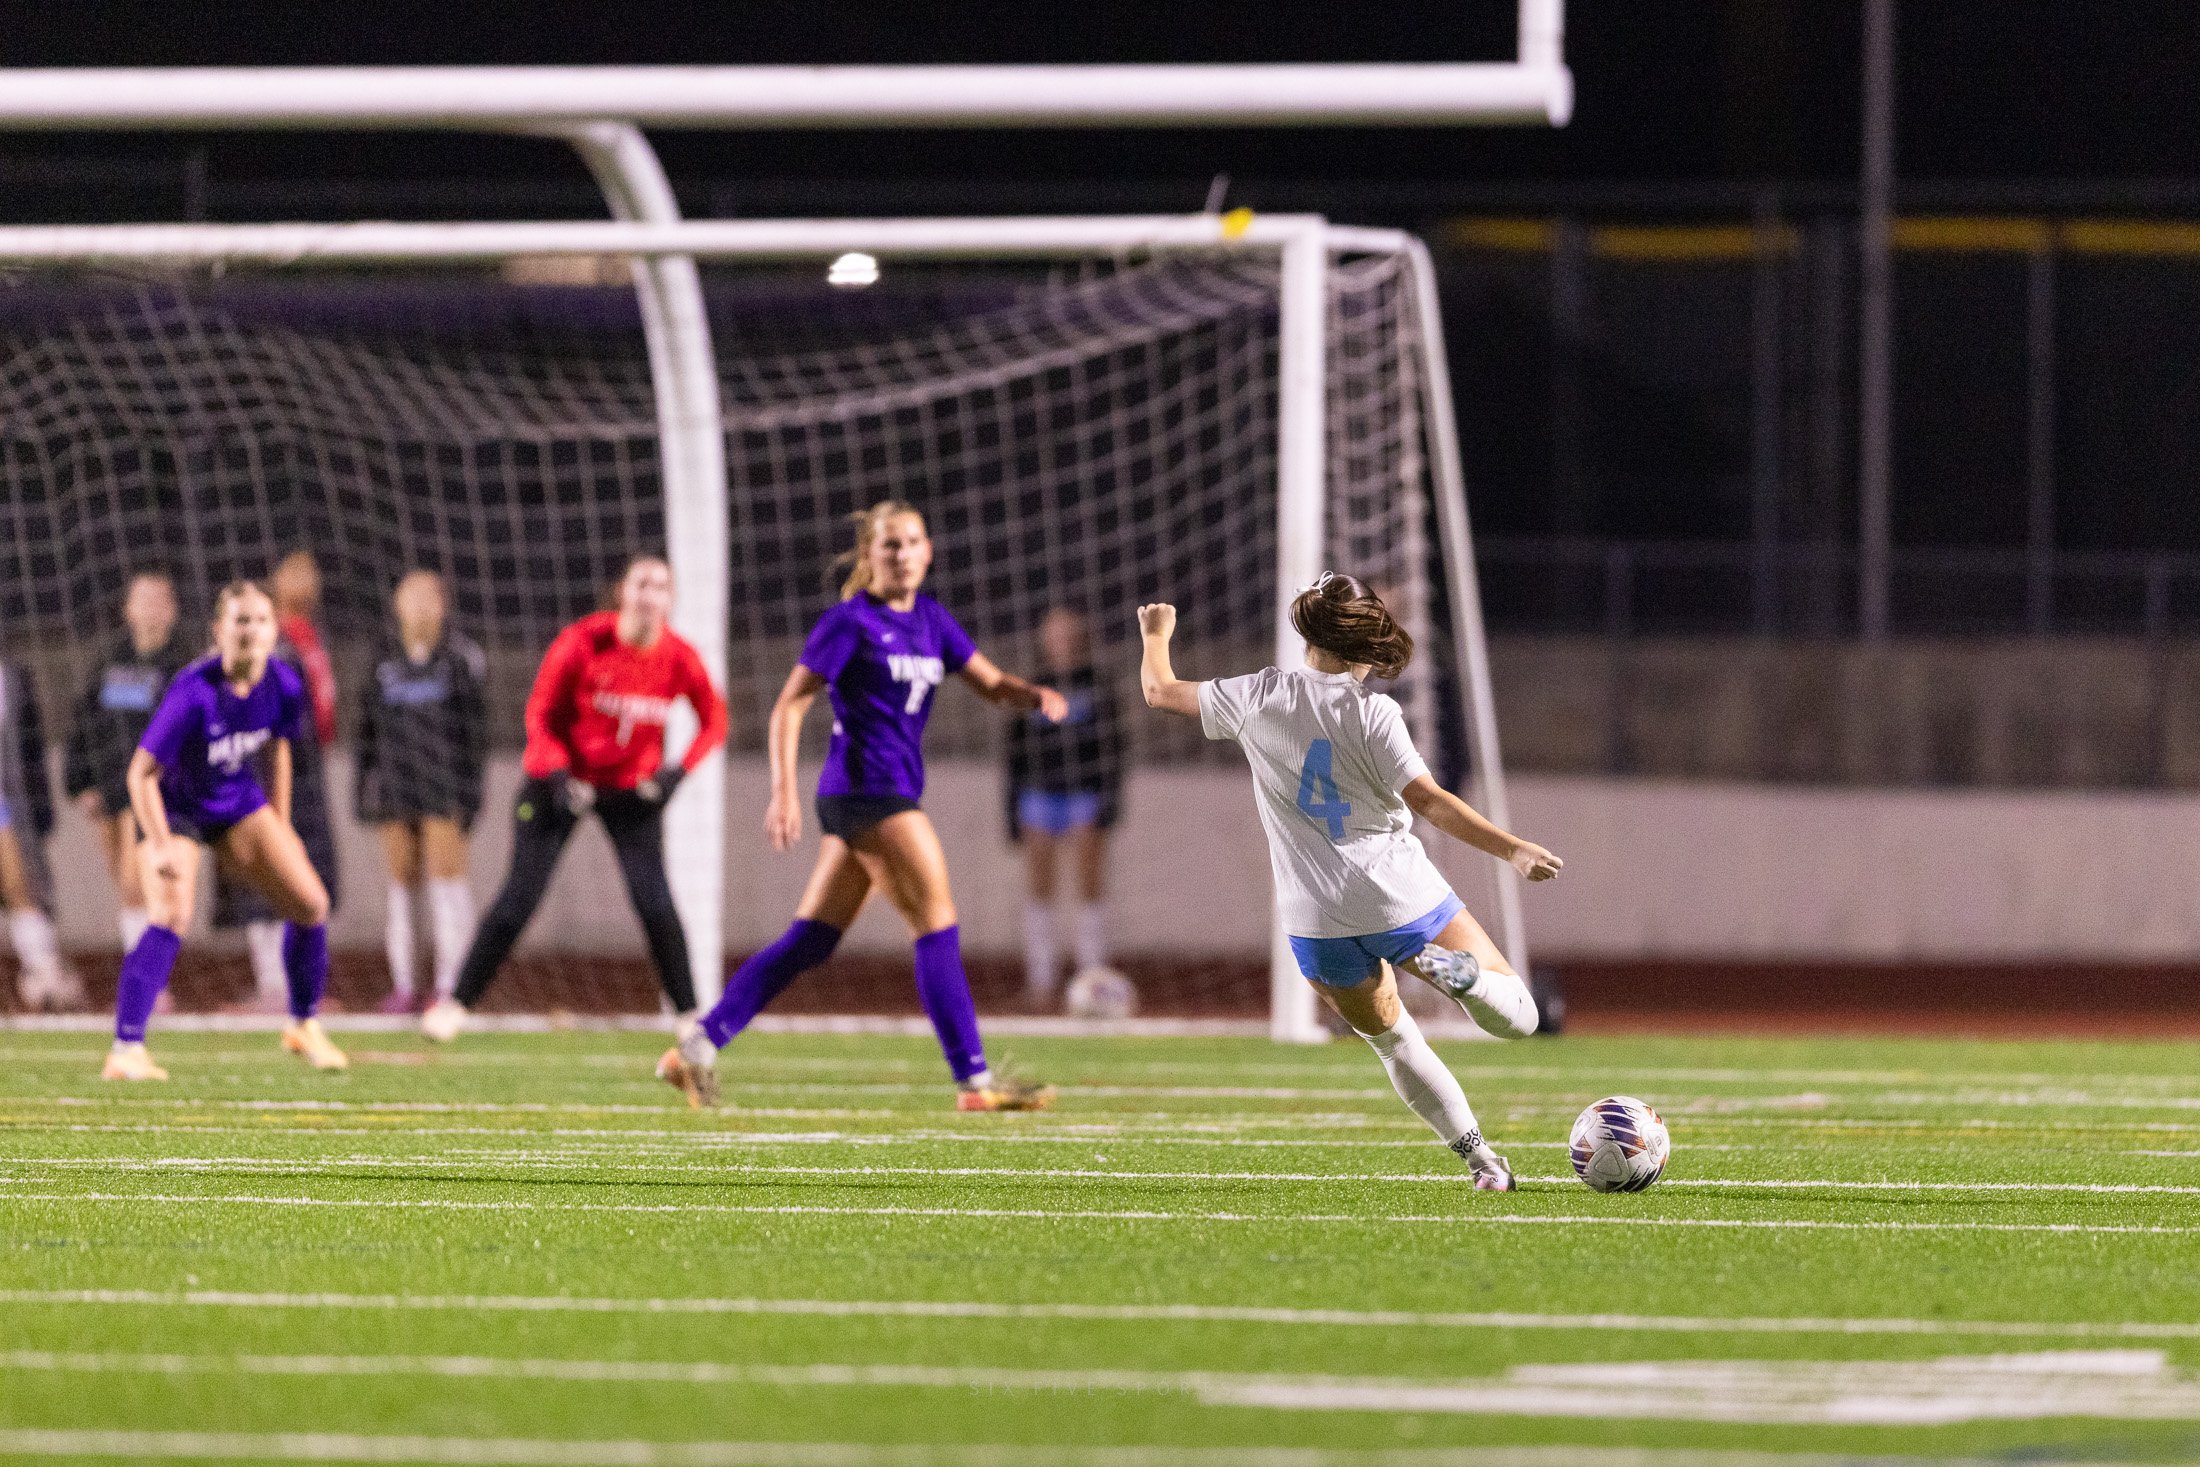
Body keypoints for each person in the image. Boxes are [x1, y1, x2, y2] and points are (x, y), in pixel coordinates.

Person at [1136, 573, 1562, 1190]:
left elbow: (1158, 690)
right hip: (1396, 895)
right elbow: (1430, 801)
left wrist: (1156, 634)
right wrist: (1513, 849)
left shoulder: (1256, 695)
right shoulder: (1373, 713)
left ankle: (1483, 1163)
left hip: (1315, 920)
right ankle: (1465, 981)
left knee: (1395, 1045)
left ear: (1308, 634)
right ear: (1369, 637)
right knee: (1518, 1017)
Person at [657, 500, 1064, 1112]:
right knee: (936, 921)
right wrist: (783, 792)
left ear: (928, 551)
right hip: (866, 790)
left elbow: (990, 682)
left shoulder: (932, 620)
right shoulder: (849, 622)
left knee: (811, 940)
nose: (903, 555)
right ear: (870, 554)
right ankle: (974, 1082)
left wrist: (1035, 696)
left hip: (885, 791)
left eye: (912, 542)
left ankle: (694, 1050)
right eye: (890, 544)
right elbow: (790, 704)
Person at [421, 555, 726, 1043]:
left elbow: (715, 721)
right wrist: (559, 775)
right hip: (557, 785)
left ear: (671, 600)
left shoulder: (679, 657)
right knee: (519, 898)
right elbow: (539, 713)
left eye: (661, 587)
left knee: (655, 902)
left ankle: (689, 1016)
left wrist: (675, 774)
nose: (650, 595)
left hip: (629, 793)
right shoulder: (582, 642)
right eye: (642, 584)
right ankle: (455, 1005)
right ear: (622, 592)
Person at [104, 580, 343, 1079]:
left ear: (275, 630)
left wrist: (281, 824)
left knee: (311, 904)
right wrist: (160, 844)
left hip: (236, 803)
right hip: (176, 810)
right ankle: (126, 1049)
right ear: (219, 631)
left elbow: (278, 748)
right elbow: (140, 774)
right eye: (240, 620)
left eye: (261, 620)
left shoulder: (284, 682)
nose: (251, 630)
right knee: (171, 913)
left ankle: (303, 1024)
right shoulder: (193, 690)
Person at [355, 570, 487, 1014]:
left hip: (444, 786)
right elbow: (365, 729)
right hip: (395, 786)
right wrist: (362, 786)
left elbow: (476, 733)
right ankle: (405, 985)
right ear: (397, 603)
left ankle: (452, 985)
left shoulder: (460, 657)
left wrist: (473, 794)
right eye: (410, 595)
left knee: (447, 884)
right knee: (402, 887)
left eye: (428, 596)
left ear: (443, 605)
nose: (419, 605)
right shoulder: (382, 657)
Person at [220, 550, 343, 1012]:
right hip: (265, 767)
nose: (304, 582)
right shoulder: (271, 639)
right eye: (293, 574)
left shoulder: (311, 636)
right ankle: (272, 984)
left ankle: (296, 985)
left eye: (310, 573)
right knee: (263, 871)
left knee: (302, 872)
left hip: (305, 768)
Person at [64, 568, 191, 962]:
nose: (150, 607)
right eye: (142, 599)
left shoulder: (181, 667)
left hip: (155, 791)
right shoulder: (108, 663)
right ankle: (144, 971)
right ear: (127, 609)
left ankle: (147, 977)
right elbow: (83, 725)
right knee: (127, 888)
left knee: (140, 884)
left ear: (172, 610)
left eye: (159, 599)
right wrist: (81, 783)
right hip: (110, 789)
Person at [1004, 606, 1126, 1006]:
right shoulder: (1030, 687)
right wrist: (1011, 811)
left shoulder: (1099, 686)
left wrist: (1110, 801)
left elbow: (1114, 747)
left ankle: (1093, 981)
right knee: (1040, 887)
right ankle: (1041, 981)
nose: (1063, 641)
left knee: (1089, 885)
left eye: (1070, 633)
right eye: (1056, 634)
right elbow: (1014, 752)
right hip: (1039, 795)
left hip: (1084, 795)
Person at [2, 652, 77, 1010]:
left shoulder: (13, 678)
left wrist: (41, 810)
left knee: (20, 885)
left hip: (7, 802)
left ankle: (43, 969)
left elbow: (31, 753)